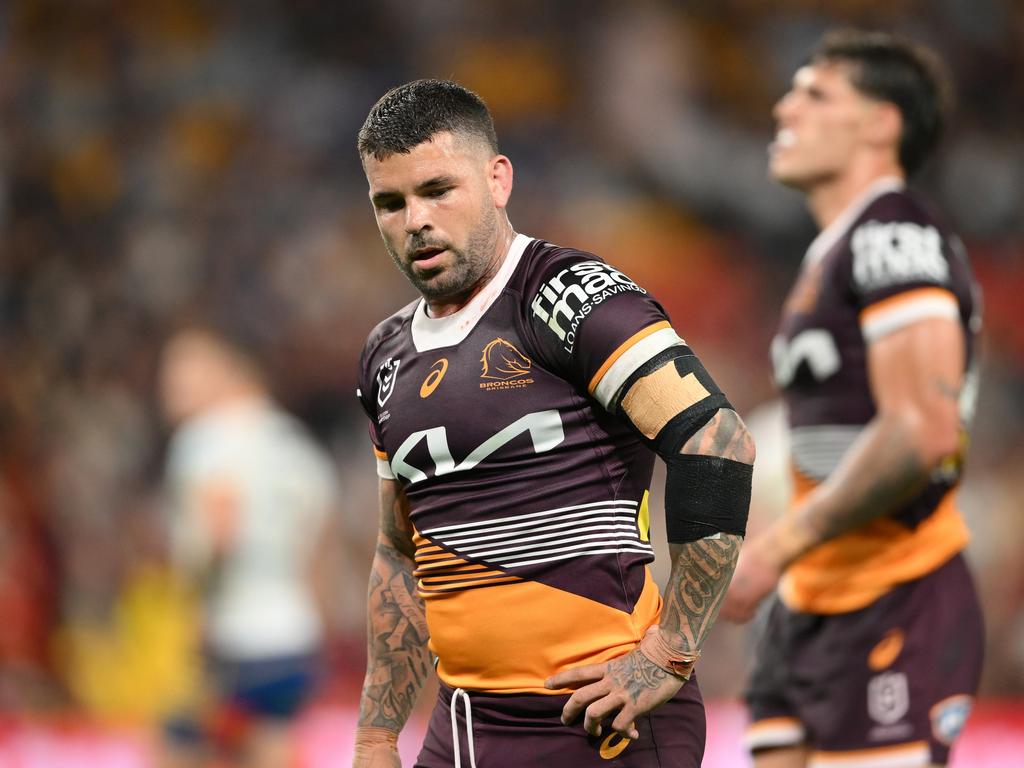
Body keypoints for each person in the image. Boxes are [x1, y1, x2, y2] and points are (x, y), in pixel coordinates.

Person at [350, 79, 754, 768]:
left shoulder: (570, 297)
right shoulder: (384, 356)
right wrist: (377, 734)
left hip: (600, 720)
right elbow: (400, 553)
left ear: (497, 178)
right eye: (391, 202)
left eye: (437, 190)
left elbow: (717, 445)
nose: (415, 219)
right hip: (465, 730)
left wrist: (670, 651)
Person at [721, 30, 984, 768]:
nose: (784, 105)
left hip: (893, 589)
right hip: (814, 600)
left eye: (815, 93)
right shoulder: (834, 248)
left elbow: (922, 428)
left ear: (880, 123)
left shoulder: (893, 230)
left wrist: (773, 549)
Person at [158, 324, 341, 768]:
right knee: (267, 747)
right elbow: (319, 551)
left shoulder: (202, 442)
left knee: (177, 746)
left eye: (178, 371)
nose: (166, 385)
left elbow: (218, 537)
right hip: (295, 638)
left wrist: (195, 601)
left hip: (236, 641)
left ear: (222, 371)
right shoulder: (297, 445)